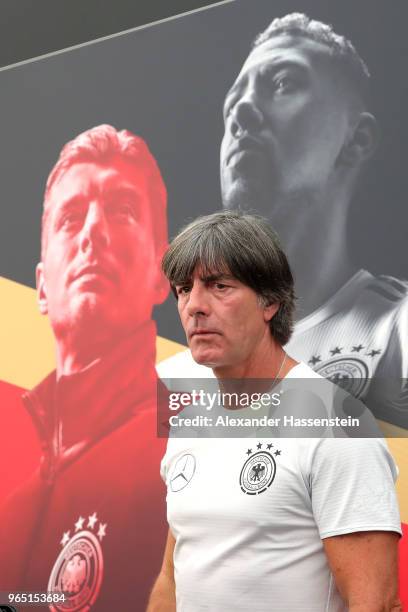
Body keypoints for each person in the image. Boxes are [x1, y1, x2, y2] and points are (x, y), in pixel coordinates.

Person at [158, 13, 408, 428]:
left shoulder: (396, 331)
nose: (241, 113)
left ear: (356, 138)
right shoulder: (179, 380)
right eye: (231, 105)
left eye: (282, 83)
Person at [148, 210, 402, 612]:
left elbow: (375, 603)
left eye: (219, 286)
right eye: (183, 289)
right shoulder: (189, 420)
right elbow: (171, 580)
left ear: (270, 303)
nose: (194, 305)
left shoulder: (336, 423)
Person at [0, 125, 169, 611]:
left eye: (122, 210)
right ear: (42, 287)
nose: (93, 231)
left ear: (162, 272)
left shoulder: (194, 450)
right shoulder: (10, 511)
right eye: (71, 218)